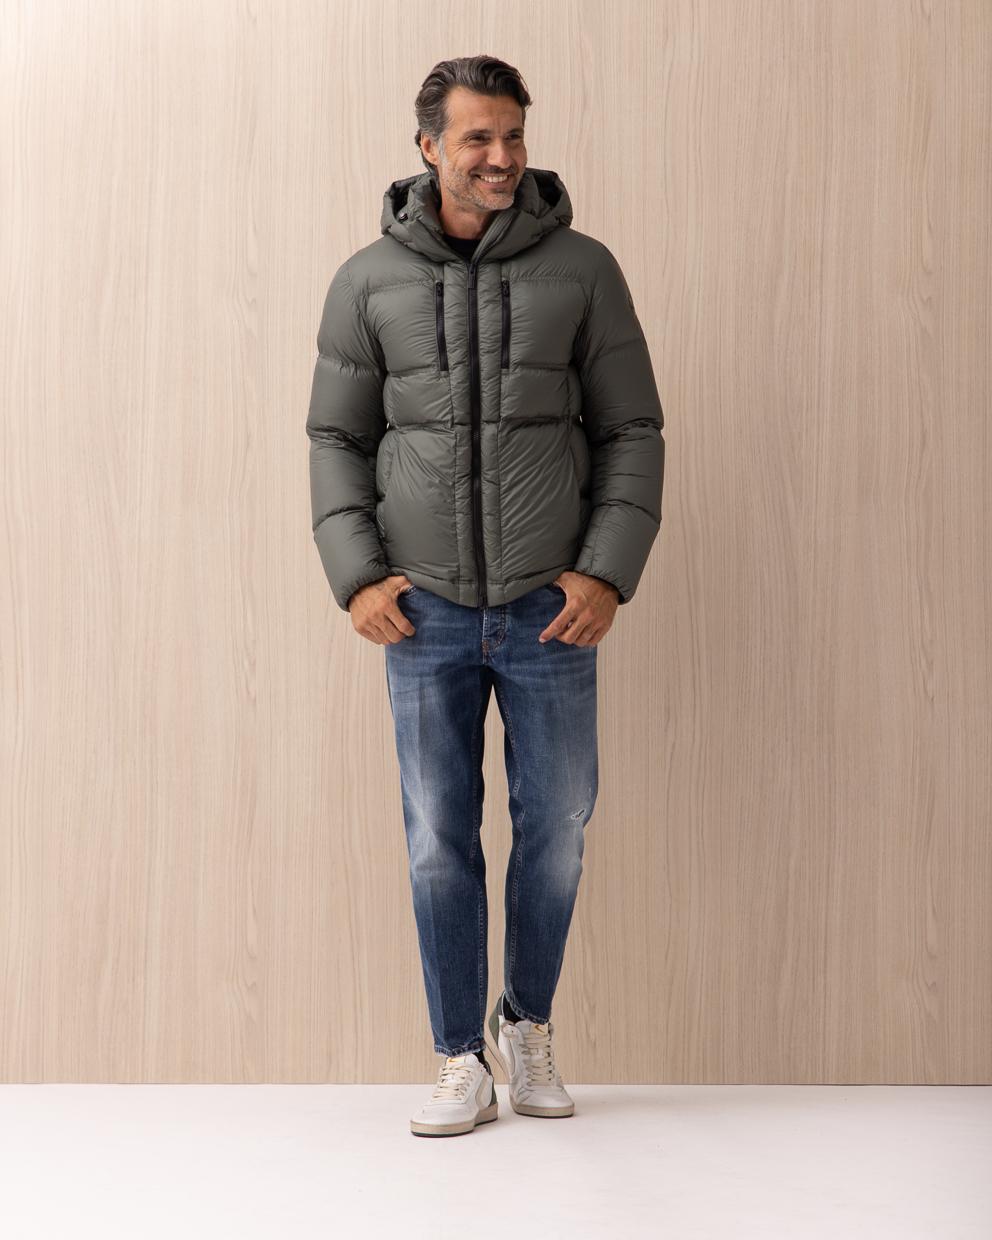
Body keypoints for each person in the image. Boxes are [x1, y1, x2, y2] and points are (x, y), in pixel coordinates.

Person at [306, 55, 665, 1137]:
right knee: (436, 836)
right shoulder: (366, 280)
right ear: (429, 148)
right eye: (477, 138)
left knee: (555, 826)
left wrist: (602, 570)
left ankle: (529, 1024)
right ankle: (457, 1052)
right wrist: (356, 578)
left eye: (513, 135)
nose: (501, 157)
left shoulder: (584, 270)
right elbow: (336, 439)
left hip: (550, 607)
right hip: (422, 611)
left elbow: (631, 429)